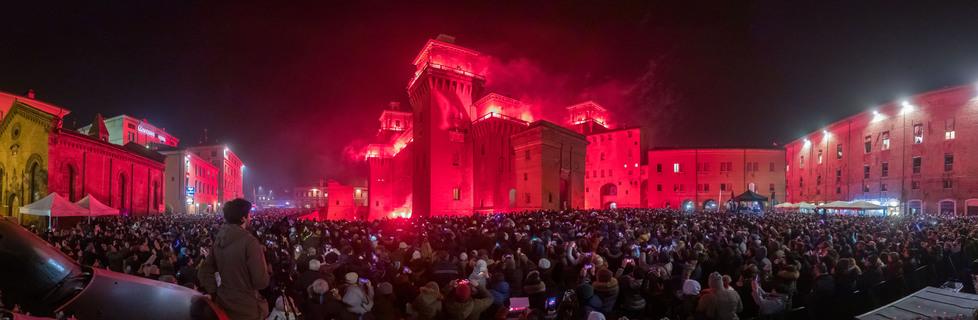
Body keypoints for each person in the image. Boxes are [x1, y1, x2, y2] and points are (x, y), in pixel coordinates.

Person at [199, 199, 271, 320]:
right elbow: (261, 282)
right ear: (242, 218)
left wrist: (215, 292)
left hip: (224, 303)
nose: (251, 218)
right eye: (249, 215)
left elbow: (204, 271)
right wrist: (267, 269)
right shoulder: (250, 242)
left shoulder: (219, 239)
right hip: (246, 309)